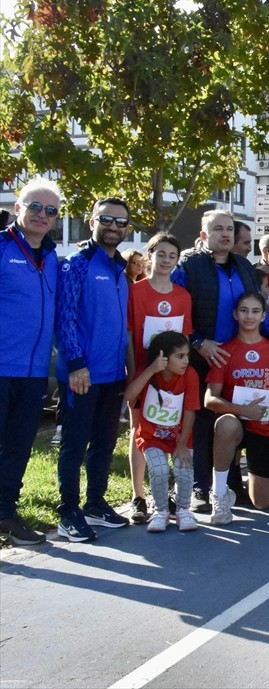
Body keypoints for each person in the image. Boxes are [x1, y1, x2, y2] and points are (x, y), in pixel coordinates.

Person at [173, 208, 263, 513]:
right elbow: (175, 310)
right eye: (217, 229)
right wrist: (198, 342)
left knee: (231, 420)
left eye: (229, 229)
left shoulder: (243, 266)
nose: (225, 234)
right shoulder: (189, 265)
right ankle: (199, 487)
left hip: (236, 358)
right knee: (200, 422)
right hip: (200, 357)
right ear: (203, 235)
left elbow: (255, 306)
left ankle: (228, 482)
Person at [55, 197, 133, 542]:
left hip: (113, 375)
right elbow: (65, 317)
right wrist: (75, 364)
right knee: (74, 445)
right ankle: (67, 511)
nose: (114, 227)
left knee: (103, 443)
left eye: (121, 222)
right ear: (91, 222)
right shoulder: (77, 263)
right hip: (82, 376)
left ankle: (95, 503)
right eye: (107, 220)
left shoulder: (120, 268)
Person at [0, 178, 62, 545]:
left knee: (20, 445)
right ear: (19, 207)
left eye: (50, 210)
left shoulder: (53, 258)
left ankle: (6, 515)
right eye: (35, 207)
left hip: (35, 371)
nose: (42, 215)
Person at [204, 291, 269, 524]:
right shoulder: (226, 350)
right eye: (244, 310)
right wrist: (243, 411)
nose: (249, 316)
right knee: (226, 423)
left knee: (261, 502)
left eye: (255, 311)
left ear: (264, 316)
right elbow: (210, 399)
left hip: (265, 426)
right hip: (238, 423)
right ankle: (219, 496)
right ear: (235, 314)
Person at [126, 232, 193, 524]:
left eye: (172, 256)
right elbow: (130, 335)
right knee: (139, 429)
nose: (166, 260)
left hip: (172, 377)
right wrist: (134, 372)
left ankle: (166, 495)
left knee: (171, 428)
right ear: (149, 256)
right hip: (145, 373)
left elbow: (185, 338)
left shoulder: (183, 295)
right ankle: (139, 496)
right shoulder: (135, 292)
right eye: (161, 254)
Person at [124, 331, 200, 532]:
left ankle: (183, 509)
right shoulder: (148, 372)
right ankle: (161, 511)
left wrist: (183, 445)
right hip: (151, 437)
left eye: (187, 356)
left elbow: (191, 412)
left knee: (183, 469)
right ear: (163, 357)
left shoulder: (190, 375)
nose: (185, 361)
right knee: (159, 469)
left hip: (180, 437)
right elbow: (129, 396)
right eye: (180, 356)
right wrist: (150, 370)